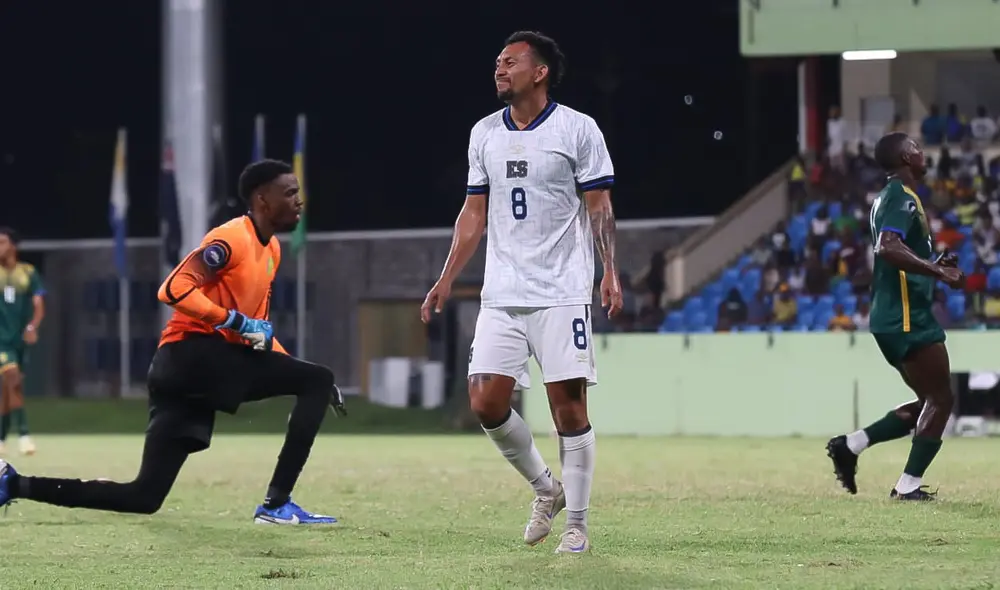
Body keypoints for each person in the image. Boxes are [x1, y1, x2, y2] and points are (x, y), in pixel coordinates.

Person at [0, 160, 347, 522]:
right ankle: (277, 505)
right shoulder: (231, 238)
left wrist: (303, 373)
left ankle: (14, 484)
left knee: (144, 496)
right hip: (195, 356)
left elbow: (257, 331)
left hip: (179, 371)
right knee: (317, 377)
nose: (298, 200)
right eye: (290, 192)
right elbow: (173, 289)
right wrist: (237, 324)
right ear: (262, 199)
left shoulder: (271, 250)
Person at [420, 31, 622, 553]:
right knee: (485, 400)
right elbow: (473, 214)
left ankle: (576, 523)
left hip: (560, 290)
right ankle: (545, 488)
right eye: (497, 62)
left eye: (511, 62)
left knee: (568, 410)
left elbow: (599, 206)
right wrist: (446, 277)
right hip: (502, 291)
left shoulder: (578, 129)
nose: (499, 69)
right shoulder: (484, 133)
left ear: (540, 72)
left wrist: (610, 271)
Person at [826, 132, 964, 501]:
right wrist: (938, 273)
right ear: (905, 157)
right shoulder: (900, 198)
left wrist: (932, 265)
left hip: (894, 314)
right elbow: (887, 248)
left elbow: (896, 250)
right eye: (917, 147)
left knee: (928, 401)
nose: (922, 152)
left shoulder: (889, 198)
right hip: (906, 315)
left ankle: (851, 446)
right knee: (940, 399)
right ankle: (908, 487)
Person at [0, 227, 44, 456]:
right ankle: (25, 435)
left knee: (10, 390)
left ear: (13, 246)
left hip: (20, 341)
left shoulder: (27, 272)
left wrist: (32, 326)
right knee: (12, 379)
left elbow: (39, 304)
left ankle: (1, 437)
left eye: (3, 242)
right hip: (1, 342)